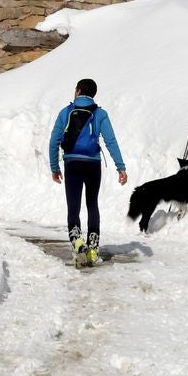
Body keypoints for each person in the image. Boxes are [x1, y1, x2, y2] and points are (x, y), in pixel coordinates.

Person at [49, 78, 127, 266]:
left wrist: (54, 167)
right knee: (92, 204)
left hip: (72, 163)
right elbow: (111, 141)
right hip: (93, 164)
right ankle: (93, 248)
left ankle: (77, 244)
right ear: (93, 94)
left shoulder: (66, 112)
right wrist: (120, 167)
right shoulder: (100, 114)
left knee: (73, 206)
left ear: (77, 90)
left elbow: (54, 141)